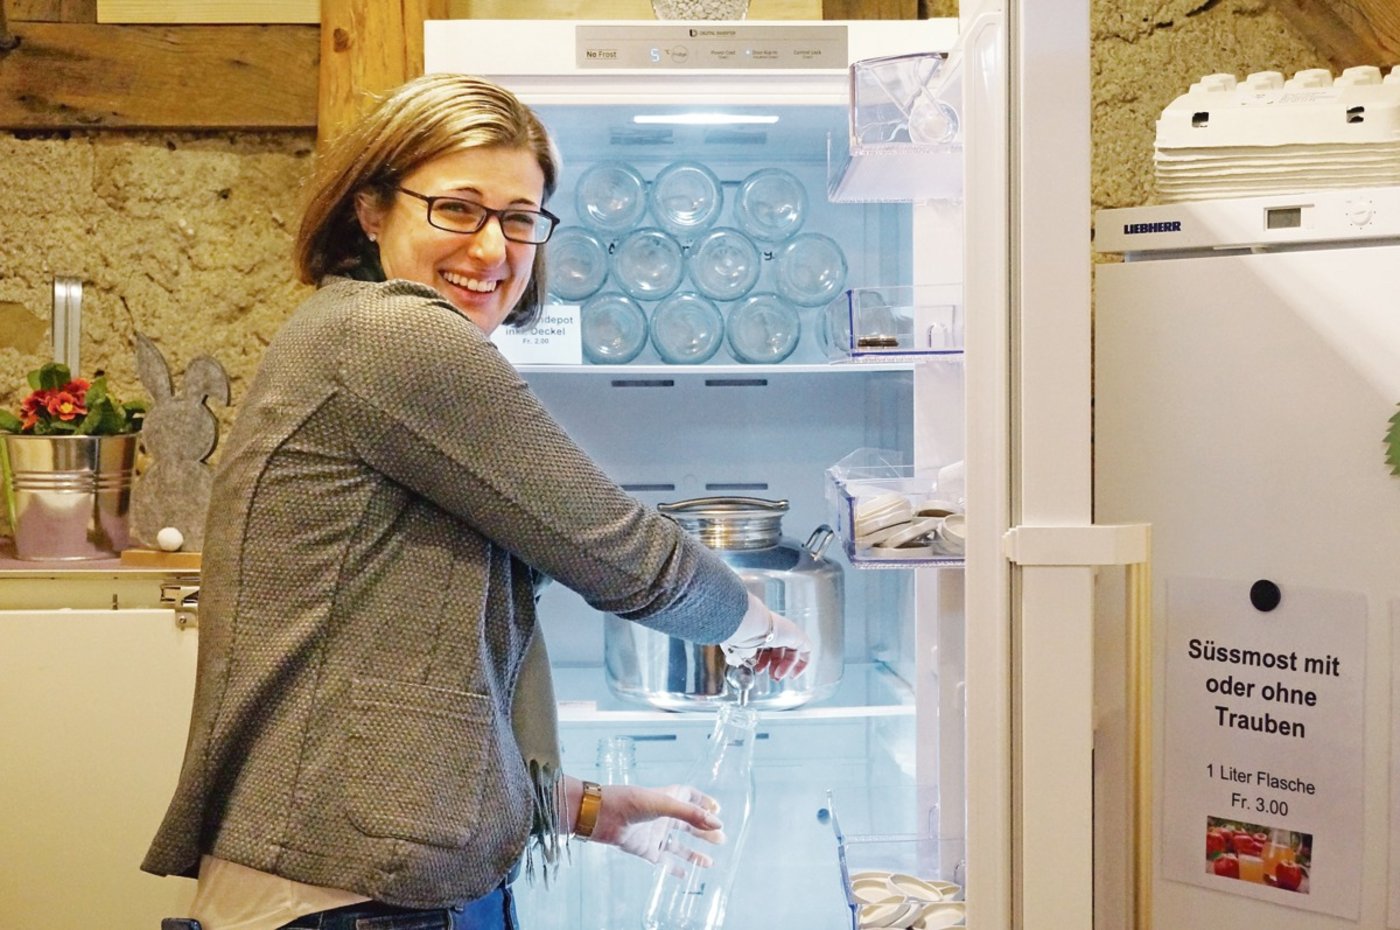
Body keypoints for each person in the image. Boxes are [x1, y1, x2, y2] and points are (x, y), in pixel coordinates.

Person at [142, 73, 812, 930]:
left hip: (351, 886)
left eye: (519, 219)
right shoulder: (392, 336)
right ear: (371, 210)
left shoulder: (353, 336)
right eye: (457, 208)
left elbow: (398, 684)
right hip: (343, 903)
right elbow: (620, 551)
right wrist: (761, 622)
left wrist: (583, 807)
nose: (493, 250)